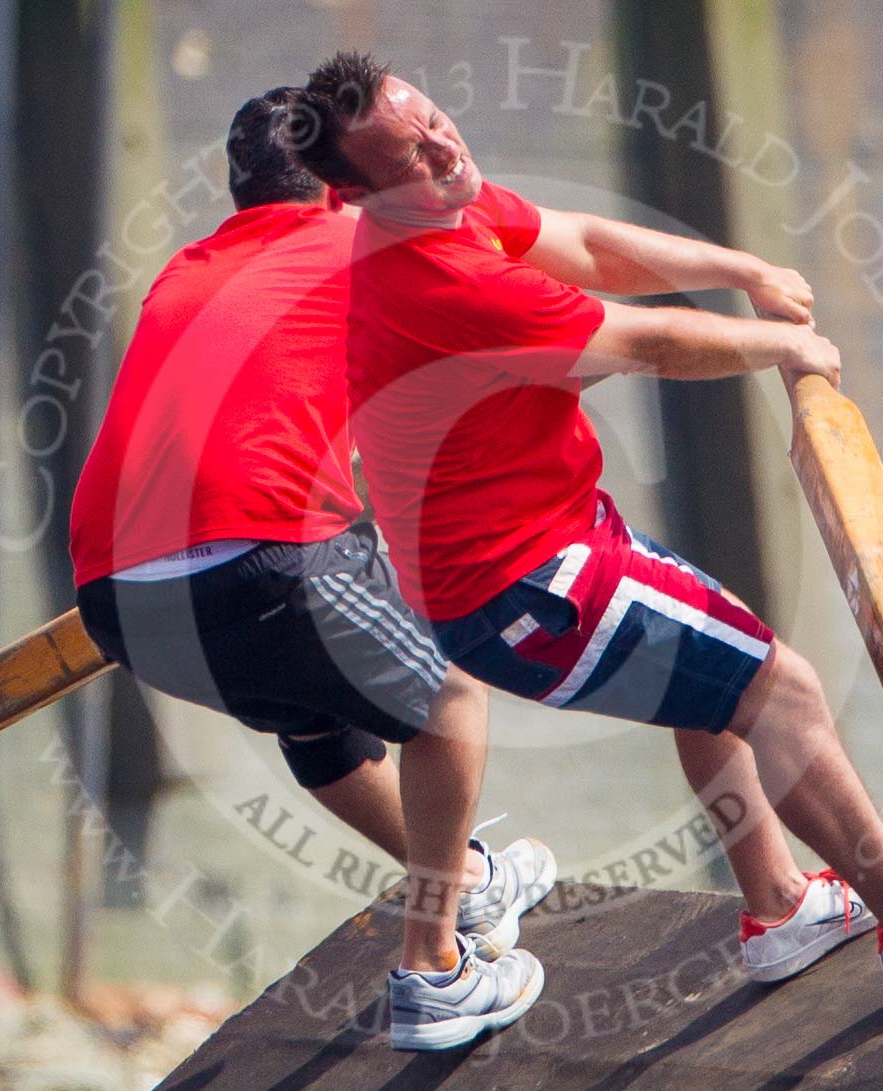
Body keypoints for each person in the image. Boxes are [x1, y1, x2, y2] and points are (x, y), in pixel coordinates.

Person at [293, 53, 883, 1018]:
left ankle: (780, 906)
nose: (444, 148)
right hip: (532, 587)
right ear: (358, 193)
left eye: (436, 120)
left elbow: (586, 243)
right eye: (411, 154)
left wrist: (745, 271)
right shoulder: (439, 277)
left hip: (541, 554)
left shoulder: (455, 208)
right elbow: (644, 342)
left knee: (714, 684)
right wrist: (787, 344)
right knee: (782, 691)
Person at [68, 88, 554, 1050]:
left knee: (312, 713)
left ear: (236, 187)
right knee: (449, 700)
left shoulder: (185, 270)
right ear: (341, 187)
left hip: (116, 600)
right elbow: (525, 273)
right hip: (257, 560)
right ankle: (434, 968)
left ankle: (467, 879)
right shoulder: (360, 243)